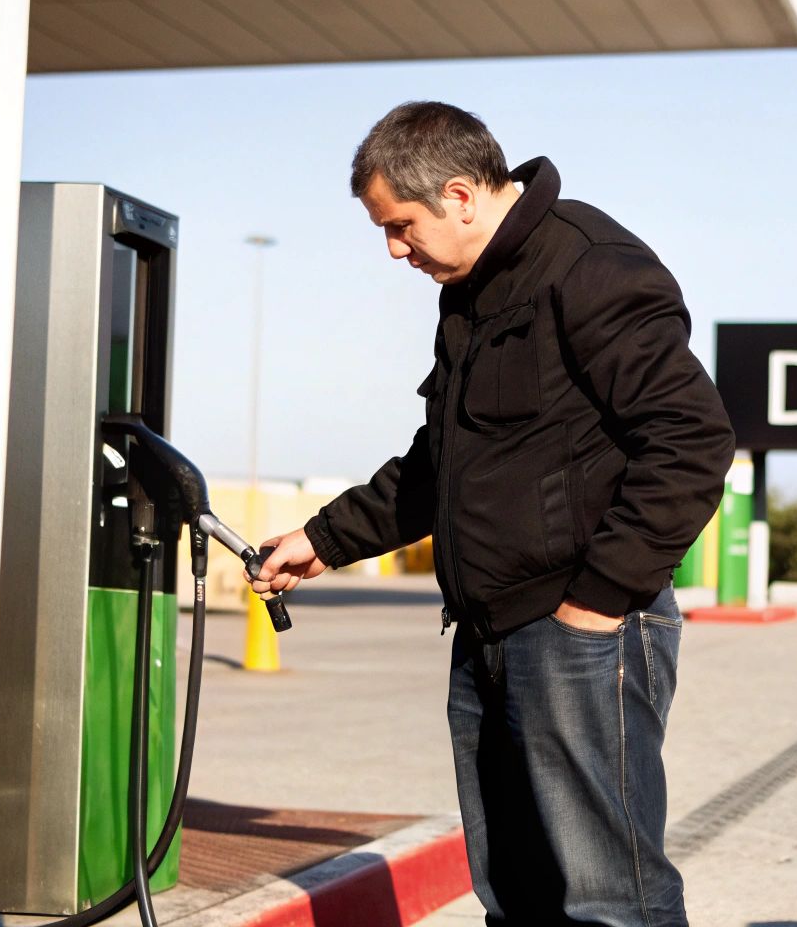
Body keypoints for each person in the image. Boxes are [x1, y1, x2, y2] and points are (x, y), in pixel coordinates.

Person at [250, 101, 735, 926]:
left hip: (581, 634)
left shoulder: (591, 266)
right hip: (488, 640)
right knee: (513, 896)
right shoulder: (468, 294)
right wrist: (323, 540)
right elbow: (444, 460)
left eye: (401, 226)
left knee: (611, 901)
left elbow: (692, 440)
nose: (395, 251)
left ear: (462, 195)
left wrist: (598, 603)